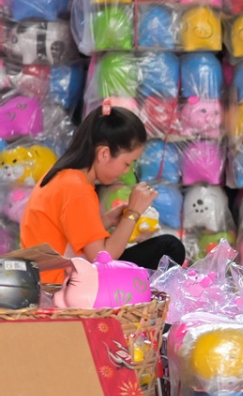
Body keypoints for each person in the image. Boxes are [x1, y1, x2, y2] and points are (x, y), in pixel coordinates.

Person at [21, 104, 185, 284]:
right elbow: (103, 260)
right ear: (104, 154)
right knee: (170, 247)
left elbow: (72, 235)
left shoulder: (64, 177)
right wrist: (133, 214)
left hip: (49, 279)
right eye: (126, 163)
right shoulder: (76, 187)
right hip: (60, 286)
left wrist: (106, 221)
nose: (127, 171)